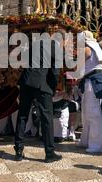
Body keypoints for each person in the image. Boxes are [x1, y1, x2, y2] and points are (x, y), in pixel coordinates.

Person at [14, 29, 64, 162]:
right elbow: (55, 72)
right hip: (42, 84)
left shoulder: (35, 43)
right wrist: (52, 88)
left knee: (23, 115)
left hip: (26, 81)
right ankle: (49, 153)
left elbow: (25, 60)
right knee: (46, 118)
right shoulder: (55, 47)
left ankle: (18, 151)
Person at [77, 32, 102, 153]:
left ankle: (96, 145)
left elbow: (78, 65)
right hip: (91, 81)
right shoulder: (96, 47)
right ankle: (86, 140)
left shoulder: (88, 48)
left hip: (92, 82)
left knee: (93, 114)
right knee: (86, 113)